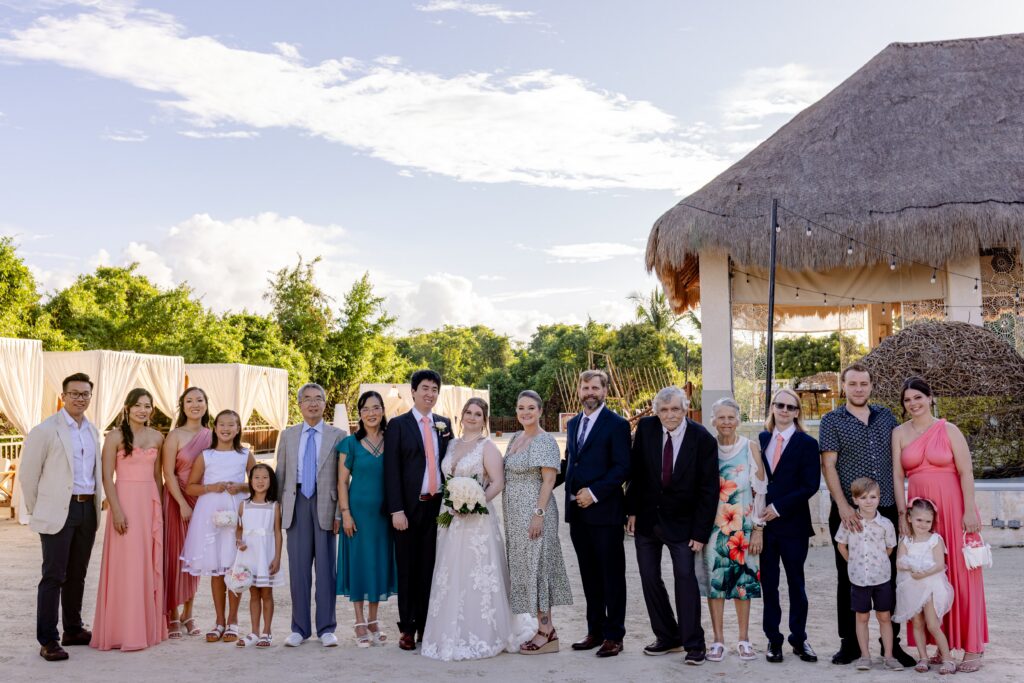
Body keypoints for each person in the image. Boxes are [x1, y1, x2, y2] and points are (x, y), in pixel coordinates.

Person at [819, 363, 915, 666]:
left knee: (890, 576)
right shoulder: (831, 420)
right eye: (853, 384)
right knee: (848, 577)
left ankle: (892, 645)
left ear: (871, 386)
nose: (859, 388)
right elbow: (829, 465)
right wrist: (844, 506)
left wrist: (901, 510)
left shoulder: (886, 417)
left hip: (885, 507)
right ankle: (849, 643)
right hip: (850, 512)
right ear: (843, 386)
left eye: (864, 383)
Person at [421, 398, 530, 661]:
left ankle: (484, 632)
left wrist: (474, 502)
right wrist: (455, 502)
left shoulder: (487, 447)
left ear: (484, 419)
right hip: (448, 516)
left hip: (476, 520)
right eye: (468, 412)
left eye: (478, 414)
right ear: (461, 416)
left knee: (475, 573)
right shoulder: (450, 444)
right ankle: (448, 631)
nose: (472, 417)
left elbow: (498, 482)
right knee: (449, 572)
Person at [893, 377, 988, 673]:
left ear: (930, 398)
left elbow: (966, 471)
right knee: (924, 577)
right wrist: (901, 514)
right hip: (918, 511)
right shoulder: (899, 433)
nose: (913, 404)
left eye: (918, 398)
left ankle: (972, 647)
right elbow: (898, 477)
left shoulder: (949, 430)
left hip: (952, 507)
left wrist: (969, 509)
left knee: (960, 572)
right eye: (908, 400)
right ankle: (939, 646)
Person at [626, 386, 719, 665]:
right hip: (647, 519)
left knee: (685, 580)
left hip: (684, 525)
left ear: (685, 409)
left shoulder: (702, 439)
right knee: (649, 577)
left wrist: (700, 532)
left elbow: (708, 490)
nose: (670, 415)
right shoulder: (646, 428)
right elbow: (637, 472)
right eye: (664, 410)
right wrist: (630, 510)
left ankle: (694, 643)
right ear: (656, 411)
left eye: (675, 409)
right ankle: (668, 636)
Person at [19, 372, 103, 662]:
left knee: (77, 575)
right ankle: (49, 640)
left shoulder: (93, 431)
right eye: (74, 393)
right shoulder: (45, 430)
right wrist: (39, 509)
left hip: (87, 508)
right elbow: (28, 475)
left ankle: (73, 629)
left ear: (90, 397)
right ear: (63, 396)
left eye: (85, 394)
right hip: (58, 510)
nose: (80, 398)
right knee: (54, 575)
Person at [90, 389, 167, 651]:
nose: (142, 410)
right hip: (124, 502)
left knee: (146, 562)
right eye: (137, 405)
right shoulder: (114, 437)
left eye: (147, 406)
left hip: (149, 505)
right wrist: (116, 510)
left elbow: (158, 477)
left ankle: (146, 628)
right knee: (125, 565)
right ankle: (120, 630)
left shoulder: (158, 436)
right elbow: (106, 478)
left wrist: (160, 512)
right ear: (127, 407)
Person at [384, 369, 452, 651]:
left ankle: (427, 625)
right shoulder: (398, 425)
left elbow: (451, 463)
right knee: (408, 569)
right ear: (413, 391)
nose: (429, 394)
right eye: (424, 388)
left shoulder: (444, 424)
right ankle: (408, 628)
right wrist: (396, 510)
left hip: (437, 508)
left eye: (434, 389)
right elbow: (391, 471)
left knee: (431, 568)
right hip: (408, 510)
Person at [564, 369, 631, 658]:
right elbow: (571, 461)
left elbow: (622, 467)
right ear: (579, 391)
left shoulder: (617, 424)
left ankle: (614, 635)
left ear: (604, 391)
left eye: (595, 388)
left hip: (605, 512)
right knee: (589, 575)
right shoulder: (573, 423)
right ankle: (595, 631)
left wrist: (593, 493)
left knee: (611, 576)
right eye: (585, 387)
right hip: (577, 514)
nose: (590, 392)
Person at [275, 382, 347, 648]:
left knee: (327, 569)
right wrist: (277, 510)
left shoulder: (338, 435)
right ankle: (299, 628)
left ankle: (327, 628)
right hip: (296, 503)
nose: (313, 403)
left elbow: (343, 478)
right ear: (300, 405)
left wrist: (342, 511)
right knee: (299, 569)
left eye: (318, 398)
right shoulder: (289, 435)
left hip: (326, 504)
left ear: (325, 404)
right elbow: (280, 473)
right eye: (307, 399)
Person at [697, 396, 766, 663]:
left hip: (742, 528)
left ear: (738, 419)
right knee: (715, 585)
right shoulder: (706, 448)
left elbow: (760, 491)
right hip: (713, 529)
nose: (726, 422)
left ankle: (744, 639)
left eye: (731, 417)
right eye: (720, 417)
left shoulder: (750, 447)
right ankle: (717, 640)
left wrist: (758, 529)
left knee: (743, 584)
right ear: (712, 420)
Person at [503, 390, 572, 655]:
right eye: (521, 408)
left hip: (536, 513)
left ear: (540, 411)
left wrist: (538, 515)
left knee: (540, 567)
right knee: (526, 568)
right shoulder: (516, 439)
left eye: (531, 408)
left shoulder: (544, 441)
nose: (525, 413)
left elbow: (549, 480)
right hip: (515, 515)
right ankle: (540, 627)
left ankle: (547, 631)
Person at [181, 409, 256, 643]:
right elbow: (190, 486)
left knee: (234, 567)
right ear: (214, 428)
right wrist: (210, 488)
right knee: (216, 569)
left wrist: (241, 487)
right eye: (221, 424)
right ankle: (219, 621)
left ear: (238, 428)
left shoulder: (245, 455)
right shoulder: (206, 455)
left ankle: (233, 620)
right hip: (211, 514)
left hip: (236, 513)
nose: (226, 428)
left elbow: (258, 483)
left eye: (231, 424)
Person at [758, 388, 820, 664]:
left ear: (797, 412)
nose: (784, 410)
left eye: (790, 407)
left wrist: (779, 507)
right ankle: (774, 639)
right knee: (769, 585)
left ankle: (799, 638)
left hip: (793, 525)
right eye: (779, 405)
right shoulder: (761, 439)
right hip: (765, 527)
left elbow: (810, 485)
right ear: (772, 407)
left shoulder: (806, 443)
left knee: (796, 583)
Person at [337, 390, 397, 648]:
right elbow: (341, 481)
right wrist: (345, 514)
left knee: (377, 564)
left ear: (383, 410)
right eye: (365, 409)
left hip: (383, 516)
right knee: (359, 564)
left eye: (375, 408)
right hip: (357, 516)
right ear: (359, 414)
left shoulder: (392, 440)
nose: (371, 413)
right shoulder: (349, 444)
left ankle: (374, 619)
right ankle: (359, 620)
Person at [834, 477, 901, 671]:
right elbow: (841, 545)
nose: (869, 501)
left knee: (884, 616)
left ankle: (888, 656)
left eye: (873, 497)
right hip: (858, 579)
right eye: (863, 497)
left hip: (881, 578)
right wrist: (853, 562)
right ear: (855, 500)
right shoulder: (849, 522)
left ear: (879, 498)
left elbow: (889, 548)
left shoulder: (886, 524)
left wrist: (877, 562)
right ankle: (865, 656)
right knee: (861, 617)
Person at [161, 386, 211, 639]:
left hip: (201, 502)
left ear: (206, 404)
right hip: (175, 501)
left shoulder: (212, 435)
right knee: (173, 558)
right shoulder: (174, 436)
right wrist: (181, 502)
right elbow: (167, 473)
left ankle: (189, 614)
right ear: (182, 406)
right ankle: (171, 614)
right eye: (189, 400)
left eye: (199, 400)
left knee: (195, 559)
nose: (195, 404)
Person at [894, 497, 955, 675]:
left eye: (928, 521)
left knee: (933, 625)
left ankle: (948, 659)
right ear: (910, 518)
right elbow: (899, 562)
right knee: (917, 623)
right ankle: (923, 657)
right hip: (912, 586)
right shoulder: (906, 541)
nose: (923, 524)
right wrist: (911, 567)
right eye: (919, 520)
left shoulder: (935, 539)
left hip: (930, 585)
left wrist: (923, 573)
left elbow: (939, 564)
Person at [234, 463, 284, 649]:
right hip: (249, 556)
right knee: (253, 593)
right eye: (256, 477)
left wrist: (277, 558)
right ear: (250, 480)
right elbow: (238, 529)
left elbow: (278, 533)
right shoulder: (243, 505)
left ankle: (267, 632)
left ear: (271, 481)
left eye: (265, 477)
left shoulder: (274, 506)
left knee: (267, 593)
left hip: (266, 554)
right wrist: (239, 541)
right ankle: (254, 632)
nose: (260, 481)